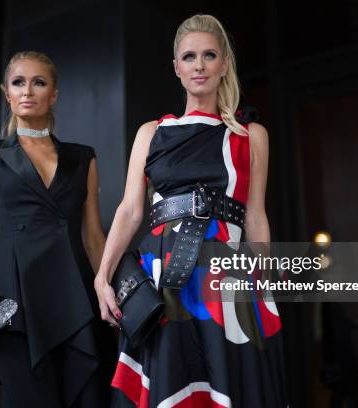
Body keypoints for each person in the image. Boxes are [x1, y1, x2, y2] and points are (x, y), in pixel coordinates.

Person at [94, 14, 288, 407]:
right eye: (189, 57)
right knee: (171, 380)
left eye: (209, 55)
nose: (199, 65)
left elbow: (255, 216)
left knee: (229, 381)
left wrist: (264, 278)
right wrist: (103, 275)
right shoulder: (151, 132)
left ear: (224, 65)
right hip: (164, 277)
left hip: (227, 276)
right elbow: (130, 210)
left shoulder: (251, 137)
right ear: (176, 68)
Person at [0, 51, 115, 407]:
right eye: (18, 82)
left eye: (39, 82)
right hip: (14, 303)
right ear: (7, 94)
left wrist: (109, 291)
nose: (27, 90)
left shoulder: (83, 158)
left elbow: (94, 237)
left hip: (76, 298)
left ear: (54, 95)